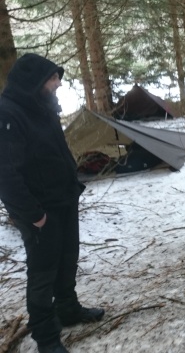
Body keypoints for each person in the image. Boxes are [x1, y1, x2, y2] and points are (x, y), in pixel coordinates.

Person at [0, 53, 105, 353]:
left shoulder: (42, 106)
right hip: (39, 210)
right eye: (52, 79)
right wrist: (34, 216)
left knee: (67, 259)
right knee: (43, 272)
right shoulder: (8, 114)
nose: (58, 83)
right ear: (34, 82)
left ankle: (69, 309)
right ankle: (46, 337)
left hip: (63, 199)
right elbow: (5, 175)